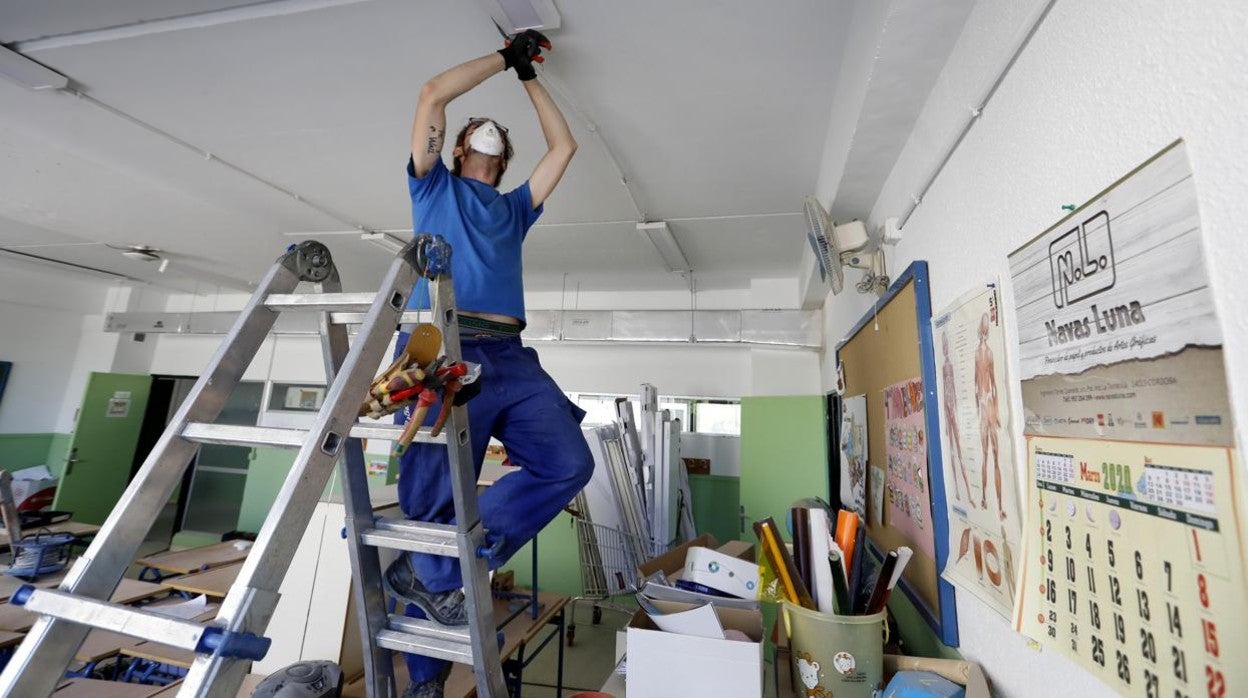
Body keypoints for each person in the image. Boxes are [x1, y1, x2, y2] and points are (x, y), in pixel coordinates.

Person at [384, 31, 593, 698]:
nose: (489, 133)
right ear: (460, 143)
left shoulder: (515, 209)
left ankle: (452, 565)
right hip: (437, 347)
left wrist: (532, 79)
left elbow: (565, 148)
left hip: (509, 356)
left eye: (497, 135)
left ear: (500, 163)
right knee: (431, 504)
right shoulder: (432, 188)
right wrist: (505, 59)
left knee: (569, 462)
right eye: (478, 127)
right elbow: (432, 94)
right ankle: (424, 681)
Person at [973, 313, 1004, 520]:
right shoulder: (978, 354)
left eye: (985, 330)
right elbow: (977, 383)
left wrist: (997, 412)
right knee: (987, 456)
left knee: (995, 457)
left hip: (989, 406)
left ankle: (999, 505)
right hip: (985, 407)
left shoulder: (989, 353)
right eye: (982, 330)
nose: (983, 334)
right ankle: (984, 497)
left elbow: (993, 383)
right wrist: (978, 408)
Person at [940, 332, 973, 504]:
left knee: (959, 452)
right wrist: (946, 422)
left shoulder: (950, 366)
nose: (945, 348)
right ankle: (958, 491)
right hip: (947, 410)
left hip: (953, 409)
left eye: (946, 345)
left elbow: (952, 389)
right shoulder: (943, 368)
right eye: (943, 345)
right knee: (952, 452)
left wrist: (956, 414)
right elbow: (945, 390)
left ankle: (968, 492)